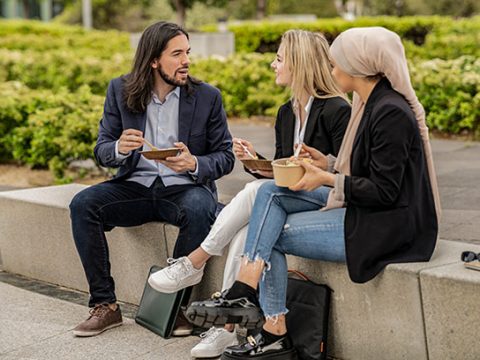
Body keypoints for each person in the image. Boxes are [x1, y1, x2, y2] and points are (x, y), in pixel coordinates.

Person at [186, 26, 441, 360]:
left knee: (268, 230)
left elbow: (385, 191)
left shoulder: (389, 111)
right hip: (366, 213)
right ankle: (253, 303)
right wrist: (330, 165)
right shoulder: (369, 104)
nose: (332, 71)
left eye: (337, 64)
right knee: (269, 195)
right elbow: (366, 173)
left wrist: (326, 177)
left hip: (388, 228)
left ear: (358, 66)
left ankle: (265, 320)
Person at [148, 30, 351, 358]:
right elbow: (284, 172)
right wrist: (257, 163)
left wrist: (273, 176)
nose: (273, 65)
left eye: (280, 59)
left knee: (257, 193)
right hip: (288, 198)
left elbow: (343, 176)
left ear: (298, 64)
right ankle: (227, 327)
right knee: (251, 218)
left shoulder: (337, 110)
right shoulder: (287, 112)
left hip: (327, 201)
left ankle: (196, 261)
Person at [68, 21, 234, 338]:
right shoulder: (120, 89)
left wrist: (194, 163)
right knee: (83, 204)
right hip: (135, 187)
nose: (186, 60)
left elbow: (225, 156)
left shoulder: (207, 97)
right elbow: (102, 149)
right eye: (177, 54)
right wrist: (118, 147)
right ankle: (105, 305)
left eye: (188, 52)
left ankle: (176, 308)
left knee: (201, 208)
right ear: (153, 60)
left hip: (184, 190)